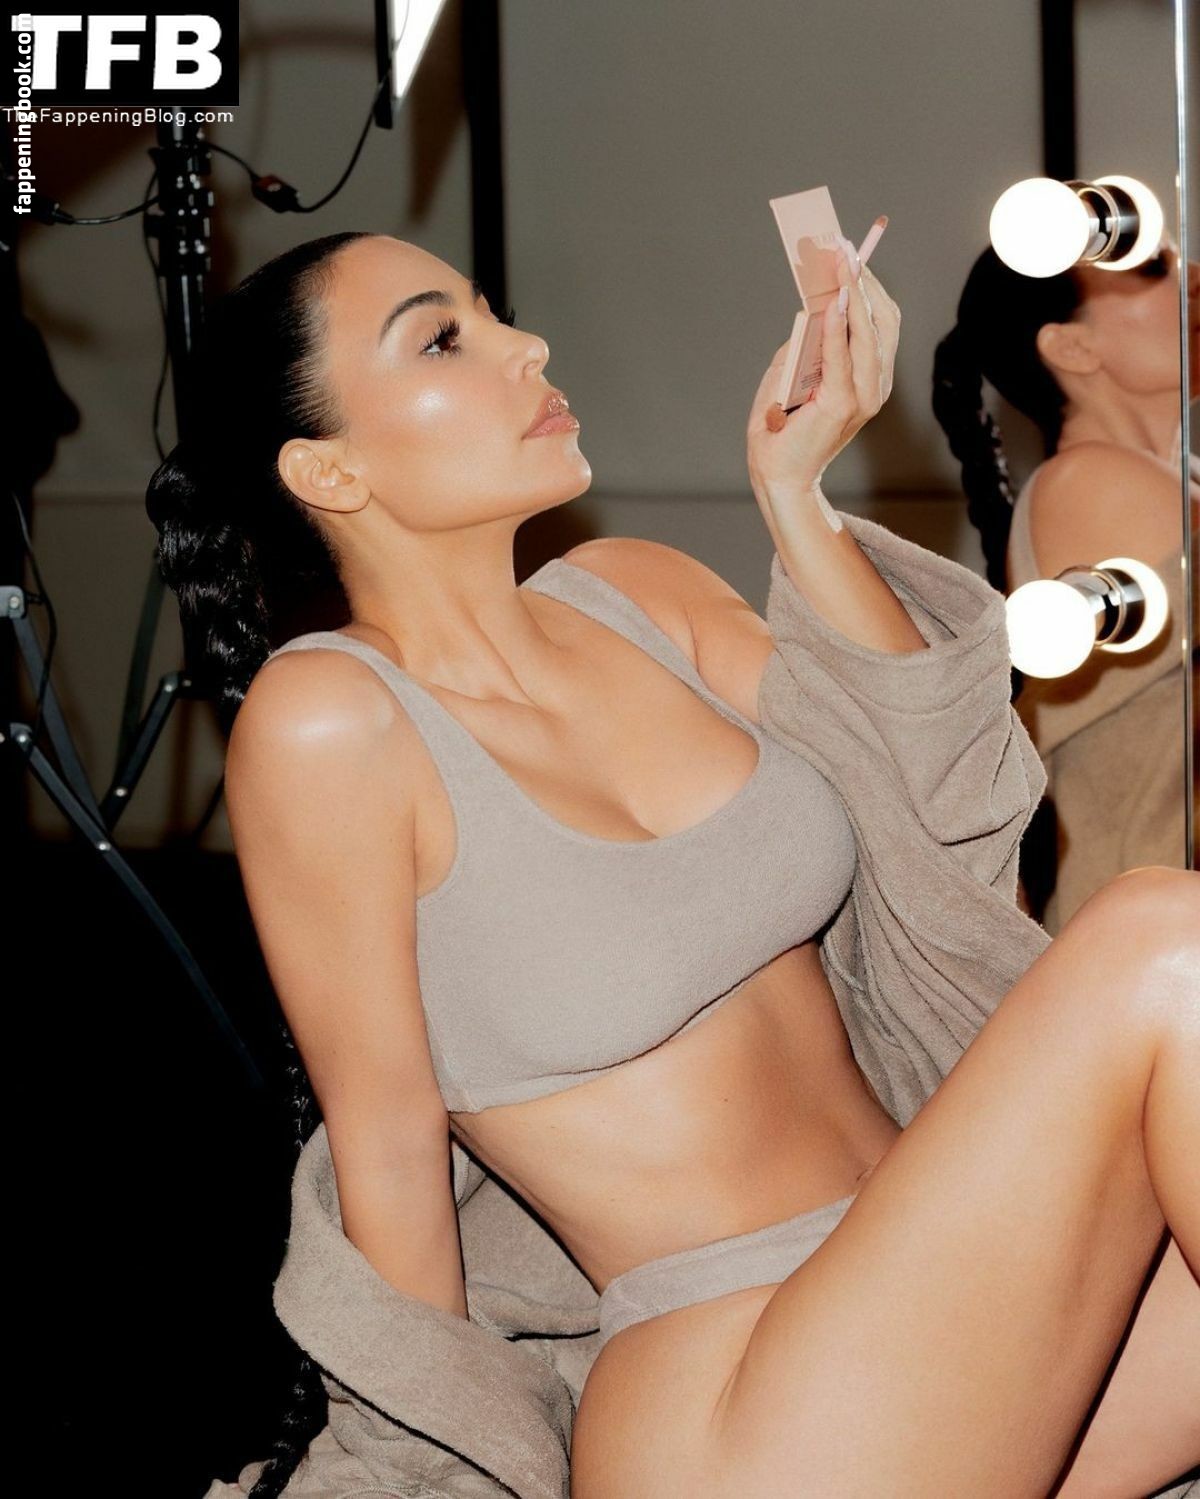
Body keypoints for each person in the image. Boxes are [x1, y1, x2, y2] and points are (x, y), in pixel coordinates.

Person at [147, 231, 1200, 1497]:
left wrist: (796, 495)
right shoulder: (326, 720)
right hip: (739, 1390)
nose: (525, 346)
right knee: (1160, 941)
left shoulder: (638, 591)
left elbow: (930, 799)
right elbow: (387, 1149)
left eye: (493, 313)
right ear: (328, 468)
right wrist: (432, 1471)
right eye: (442, 339)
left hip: (952, 1272)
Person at [933, 243, 1200, 933]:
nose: (1194, 279)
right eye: (1154, 268)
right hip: (1154, 948)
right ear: (1073, 348)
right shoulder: (1094, 482)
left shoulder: (1162, 482)